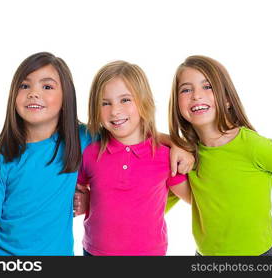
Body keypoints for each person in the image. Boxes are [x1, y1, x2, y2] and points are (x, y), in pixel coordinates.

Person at [0, 52, 193, 256]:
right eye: (24, 86)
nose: (34, 93)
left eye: (47, 87)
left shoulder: (80, 138)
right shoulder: (0, 156)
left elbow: (132, 136)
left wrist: (176, 144)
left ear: (66, 98)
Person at [168, 55, 272, 256]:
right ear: (177, 104)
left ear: (227, 100)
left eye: (207, 86)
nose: (196, 95)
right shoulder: (186, 155)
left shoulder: (252, 146)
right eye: (186, 89)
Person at [76, 61, 191, 256]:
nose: (115, 111)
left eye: (125, 100)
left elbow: (194, 199)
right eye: (105, 103)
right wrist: (82, 199)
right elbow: (76, 188)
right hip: (94, 253)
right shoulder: (90, 153)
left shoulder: (165, 156)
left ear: (143, 101)